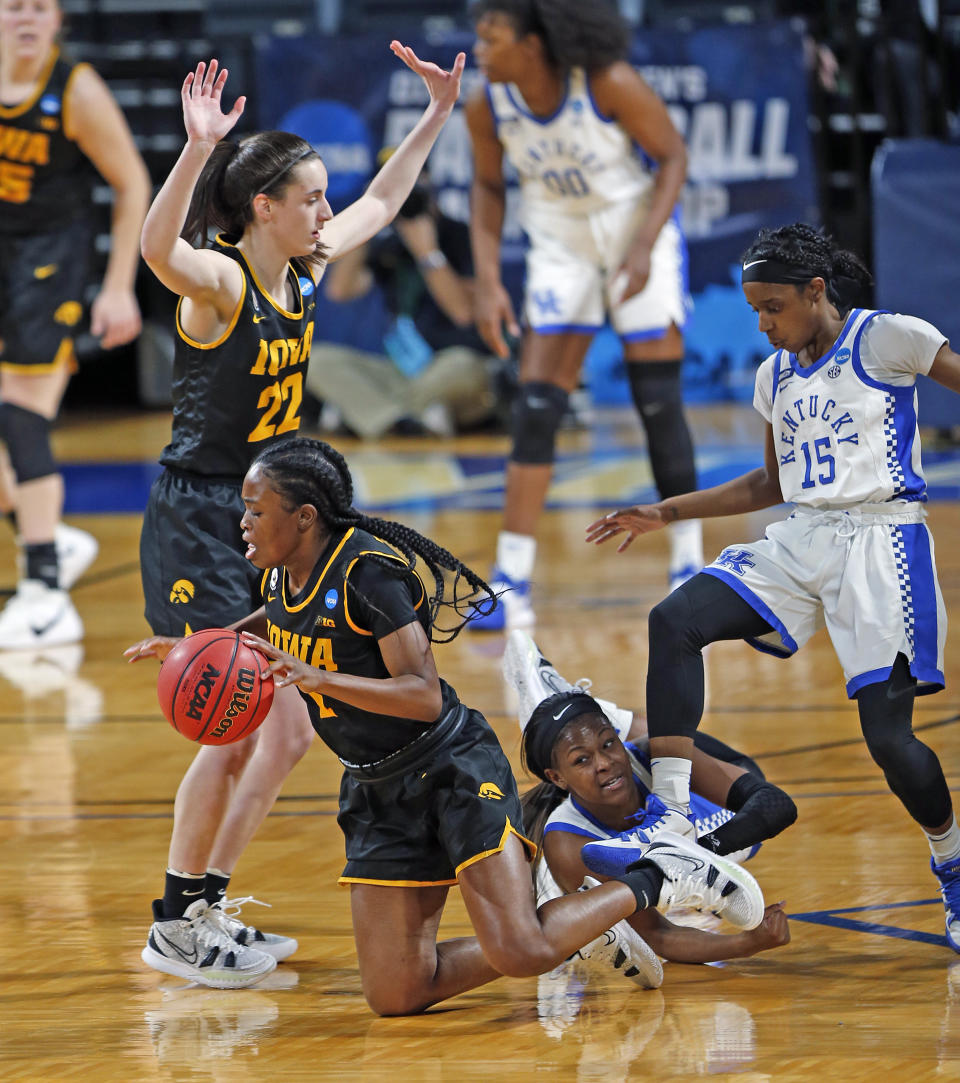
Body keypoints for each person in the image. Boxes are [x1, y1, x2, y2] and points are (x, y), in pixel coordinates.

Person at [150, 434, 765, 1010]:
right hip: (375, 789)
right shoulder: (283, 570)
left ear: (305, 517)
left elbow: (422, 697)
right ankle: (574, 930)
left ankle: (657, 875)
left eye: (256, 510)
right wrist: (207, 646)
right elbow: (282, 615)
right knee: (397, 993)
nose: (244, 522)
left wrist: (318, 679)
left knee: (522, 951)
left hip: (449, 770)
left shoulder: (370, 575)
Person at [125, 46, 471, 988]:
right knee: (233, 729)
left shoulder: (305, 270)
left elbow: (386, 205)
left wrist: (436, 116)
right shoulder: (226, 285)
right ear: (262, 209)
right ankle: (175, 921)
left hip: (270, 518)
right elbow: (158, 250)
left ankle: (205, 906)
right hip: (203, 515)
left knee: (282, 733)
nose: (326, 210)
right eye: (309, 198)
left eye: (324, 196)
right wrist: (197, 149)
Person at [584, 222, 960, 953]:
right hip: (804, 536)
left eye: (772, 306)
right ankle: (671, 818)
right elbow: (770, 483)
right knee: (675, 618)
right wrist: (668, 510)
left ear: (816, 291)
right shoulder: (776, 375)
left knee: (891, 743)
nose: (762, 322)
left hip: (882, 540)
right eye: (755, 309)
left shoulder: (888, 338)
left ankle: (952, 862)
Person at [464, 0, 703, 630]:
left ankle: (689, 560)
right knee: (536, 405)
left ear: (534, 44)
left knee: (658, 401)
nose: (481, 51)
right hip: (560, 242)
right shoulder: (486, 106)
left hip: (631, 226)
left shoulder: (607, 83)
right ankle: (511, 576)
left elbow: (673, 157)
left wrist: (647, 245)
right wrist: (488, 281)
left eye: (492, 38)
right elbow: (488, 189)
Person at [0, 0, 150, 648]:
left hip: (50, 261)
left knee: (21, 411)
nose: (25, 17)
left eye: (39, 6)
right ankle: (51, 537)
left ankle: (44, 592)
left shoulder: (75, 89)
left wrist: (116, 286)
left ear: (58, 19)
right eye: (13, 6)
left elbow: (132, 182)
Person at [517, 684, 791, 968]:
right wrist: (746, 944)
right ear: (557, 777)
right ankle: (569, 888)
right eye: (581, 760)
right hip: (679, 852)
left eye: (609, 743)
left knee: (674, 741)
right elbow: (657, 934)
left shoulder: (657, 757)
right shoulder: (570, 842)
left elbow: (773, 805)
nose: (604, 763)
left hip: (731, 826)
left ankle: (599, 709)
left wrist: (697, 853)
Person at [308, 160, 504, 439]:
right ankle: (407, 418)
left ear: (431, 189)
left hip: (452, 365)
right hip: (400, 374)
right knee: (318, 361)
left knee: (461, 366)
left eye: (412, 188)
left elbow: (463, 312)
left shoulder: (462, 236)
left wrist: (428, 252)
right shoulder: (390, 242)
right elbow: (341, 291)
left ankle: (373, 413)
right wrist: (366, 222)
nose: (405, 199)